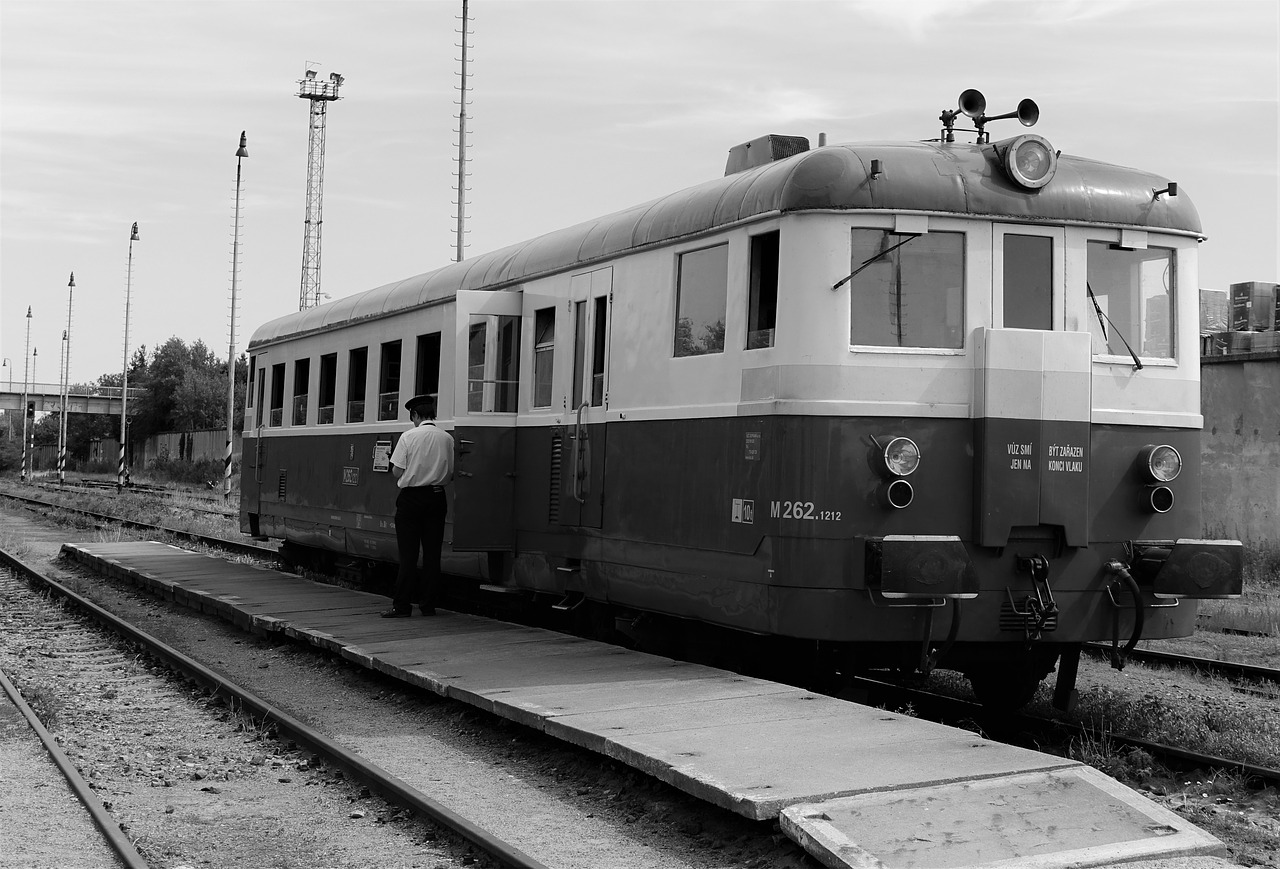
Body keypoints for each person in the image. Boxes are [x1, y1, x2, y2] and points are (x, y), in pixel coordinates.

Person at [382, 394, 454, 618]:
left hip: (411, 499)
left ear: (415, 415)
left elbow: (397, 471)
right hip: (436, 497)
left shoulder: (408, 436)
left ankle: (402, 606)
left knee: (408, 555)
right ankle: (428, 605)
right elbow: (450, 473)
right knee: (432, 555)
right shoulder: (446, 439)